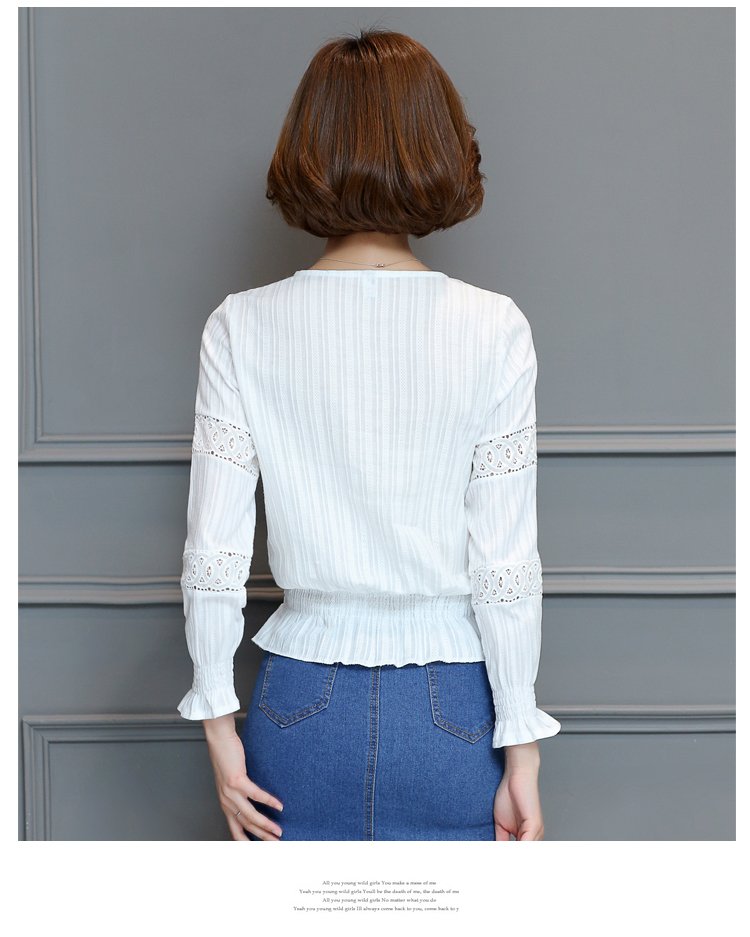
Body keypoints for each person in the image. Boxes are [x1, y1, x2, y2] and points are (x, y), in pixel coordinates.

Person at [177, 27, 562, 842]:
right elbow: (504, 568)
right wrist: (521, 748)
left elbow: (214, 553)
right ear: (439, 147)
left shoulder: (240, 326)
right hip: (453, 715)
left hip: (299, 708)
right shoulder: (494, 328)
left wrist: (217, 720)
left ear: (306, 147)